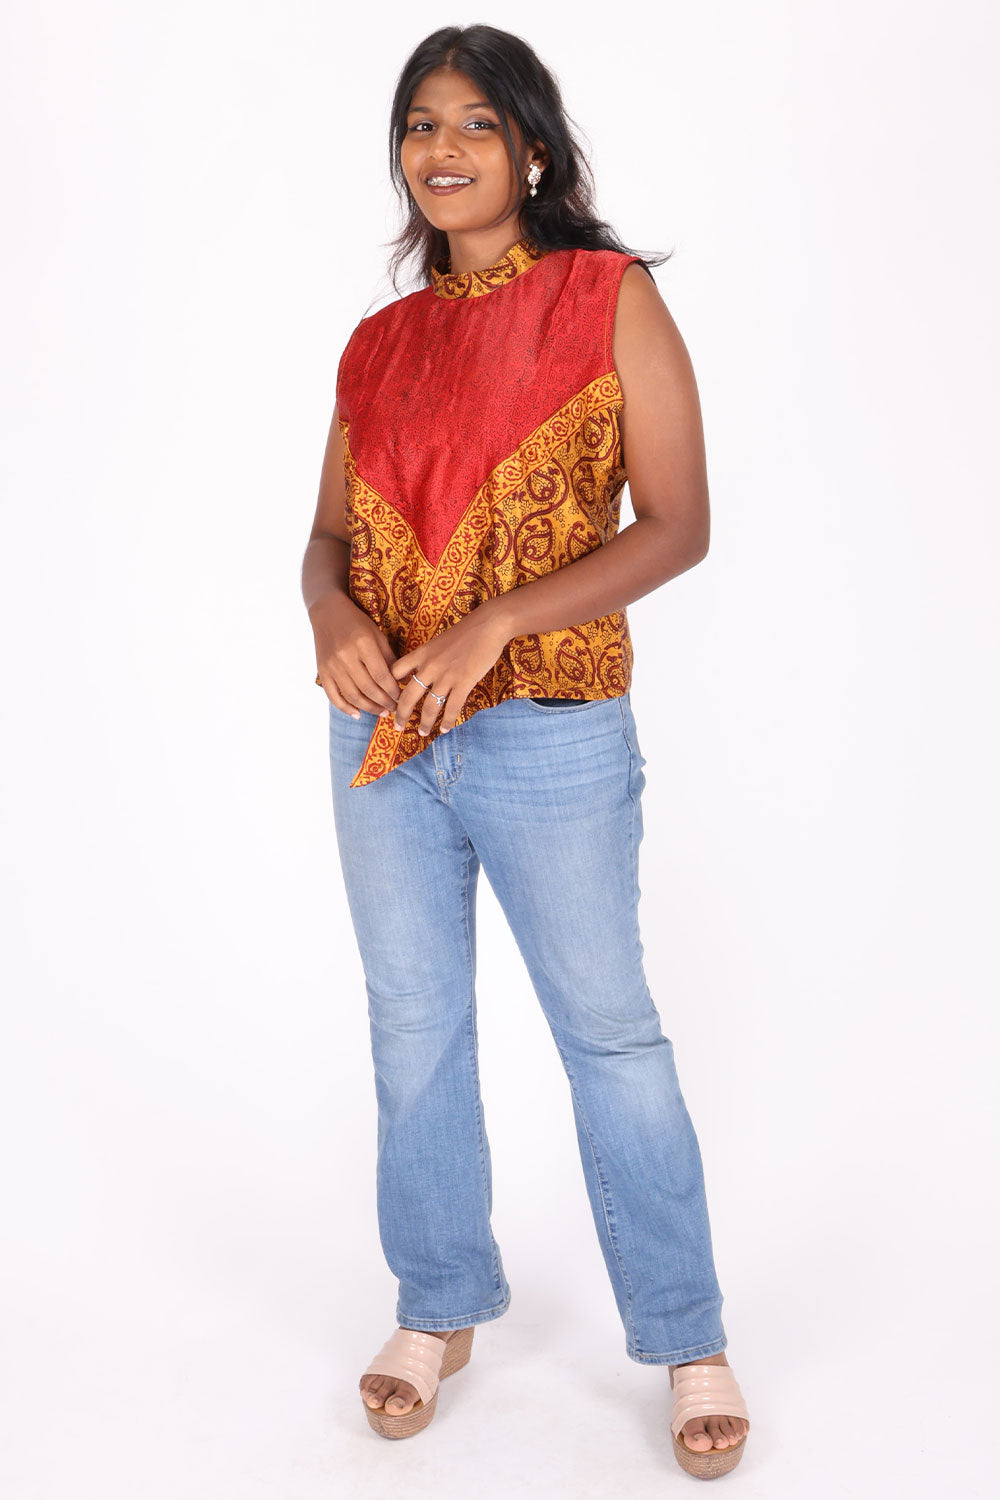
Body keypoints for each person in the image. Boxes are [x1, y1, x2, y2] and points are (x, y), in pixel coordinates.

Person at [301, 23, 751, 1480]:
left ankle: (688, 1334)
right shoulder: (378, 342)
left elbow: (679, 525)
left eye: (475, 125)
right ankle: (437, 1306)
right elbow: (326, 539)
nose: (442, 149)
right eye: (420, 125)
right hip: (383, 731)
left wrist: (496, 620)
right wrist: (329, 617)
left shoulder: (606, 299)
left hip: (549, 729)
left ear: (534, 152)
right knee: (413, 1027)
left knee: (609, 1034)